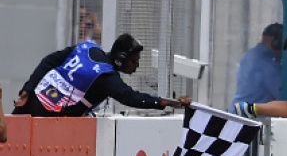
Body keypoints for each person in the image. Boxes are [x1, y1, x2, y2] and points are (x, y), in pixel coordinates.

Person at [12, 34, 190, 117]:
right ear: (121, 59)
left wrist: (27, 89)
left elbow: (49, 61)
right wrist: (165, 102)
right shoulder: (106, 77)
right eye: (134, 61)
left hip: (31, 101)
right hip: (49, 120)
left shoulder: (88, 48)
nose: (137, 65)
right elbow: (130, 97)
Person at [228, 23, 284, 113]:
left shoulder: (251, 55)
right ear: (276, 43)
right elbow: (282, 93)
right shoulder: (266, 62)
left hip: (239, 112)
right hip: (249, 116)